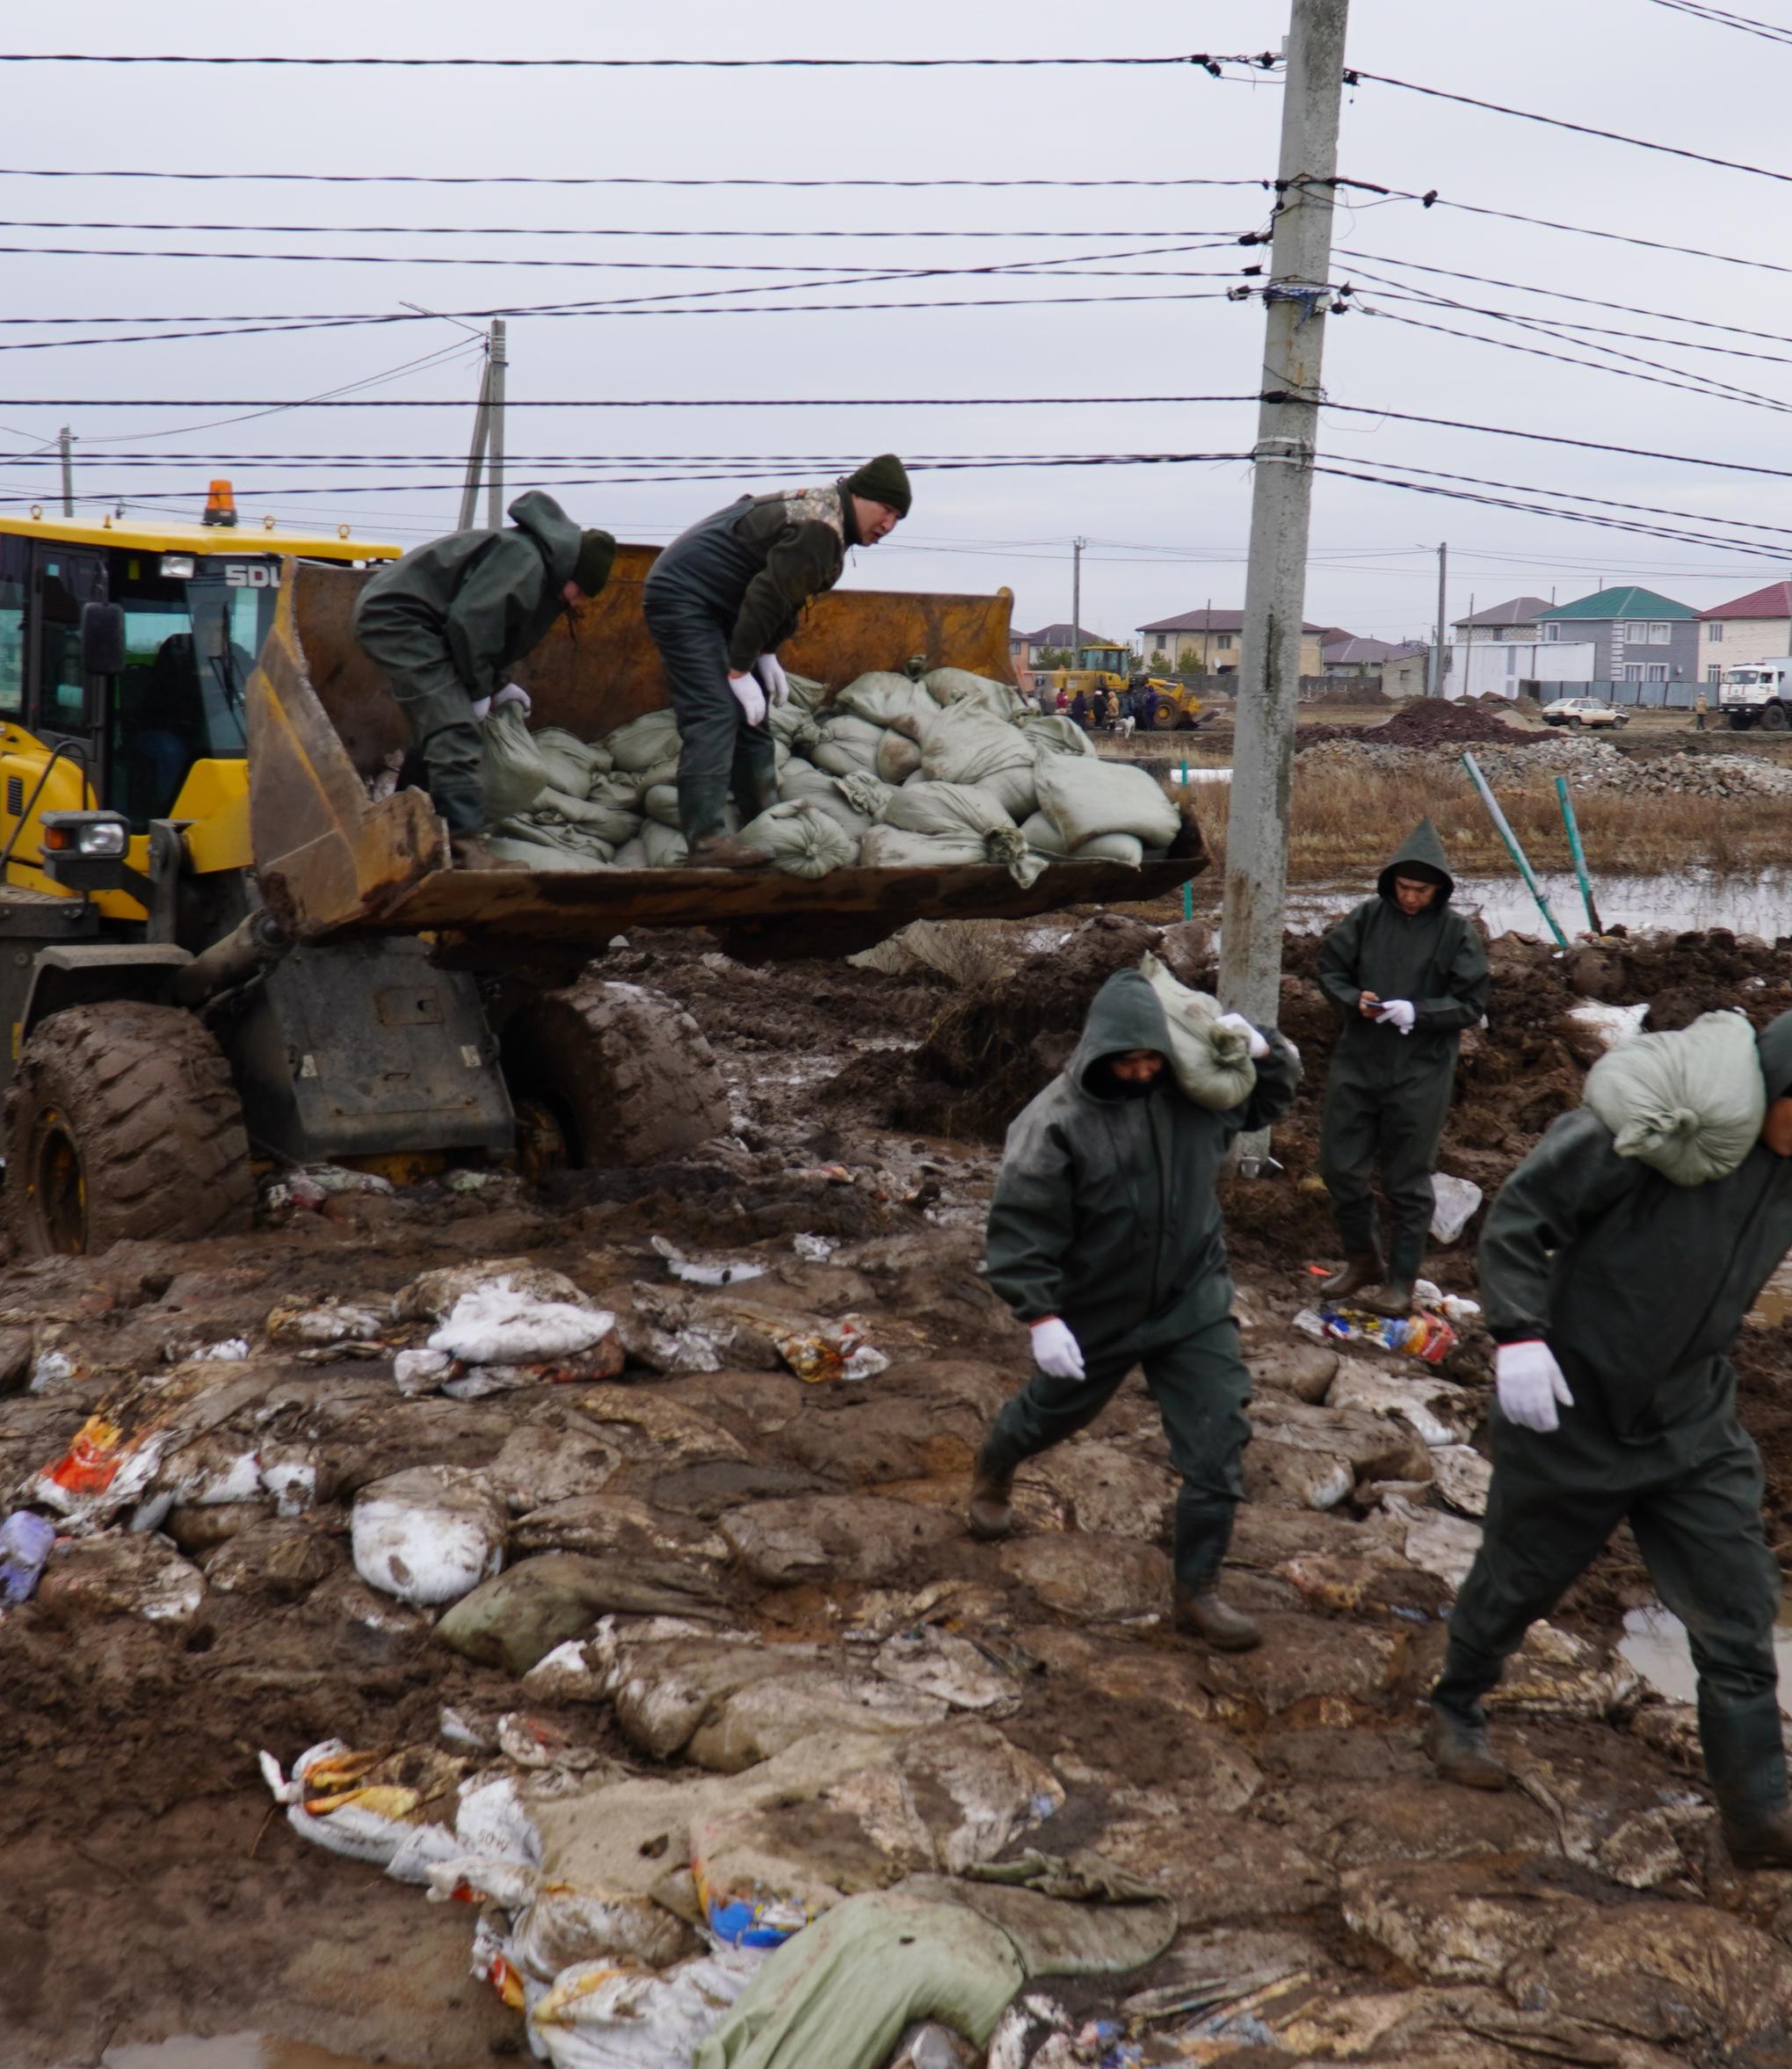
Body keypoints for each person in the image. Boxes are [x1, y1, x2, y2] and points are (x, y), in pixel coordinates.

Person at [1421, 991, 1792, 1877]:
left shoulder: (1787, 1190)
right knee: (1518, 1578)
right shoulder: (1655, 1134)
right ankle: (1455, 1704)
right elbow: (1519, 1216)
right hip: (1570, 1408)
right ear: (1773, 1084)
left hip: (1689, 1423)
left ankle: (1756, 1811)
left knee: (1737, 1607)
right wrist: (1514, 1332)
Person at [969, 969, 1301, 1652]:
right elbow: (1020, 1225)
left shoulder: (1196, 1095)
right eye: (1129, 1060)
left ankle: (1198, 1590)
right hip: (1097, 1308)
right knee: (1053, 1412)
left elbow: (1267, 1101)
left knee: (1218, 1439)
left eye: (1153, 1058)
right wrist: (1041, 1316)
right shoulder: (1055, 1122)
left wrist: (1263, 1047)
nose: (1144, 1070)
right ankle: (997, 1464)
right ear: (1099, 1054)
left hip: (1192, 1298)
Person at [640, 454, 910, 868]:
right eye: (885, 510)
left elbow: (785, 592)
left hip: (721, 604)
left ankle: (764, 817)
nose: (888, 524)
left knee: (753, 714)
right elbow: (766, 597)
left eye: (898, 518)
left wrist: (766, 651)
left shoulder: (830, 522)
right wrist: (739, 668)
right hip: (685, 597)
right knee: (713, 711)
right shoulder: (821, 526)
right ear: (858, 495)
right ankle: (707, 843)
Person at [350, 490, 616, 873]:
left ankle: (406, 827)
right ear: (573, 572)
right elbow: (471, 624)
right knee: (455, 727)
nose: (580, 603)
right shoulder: (524, 560)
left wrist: (495, 685)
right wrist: (476, 691)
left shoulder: (534, 564)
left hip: (422, 625)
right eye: (584, 592)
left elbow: (488, 634)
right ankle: (463, 848)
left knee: (439, 729)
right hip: (400, 622)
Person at [1314, 821, 1491, 1313]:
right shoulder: (1367, 918)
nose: (1411, 898)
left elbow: (1471, 1002)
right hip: (1359, 1061)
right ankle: (1363, 1260)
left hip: (1422, 1070)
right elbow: (1330, 969)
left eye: (1422, 889)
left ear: (1439, 890)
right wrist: (1355, 1000)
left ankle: (1402, 1283)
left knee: (1407, 1179)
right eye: (1403, 887)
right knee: (1339, 1167)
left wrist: (1421, 1012)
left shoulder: (1457, 933)